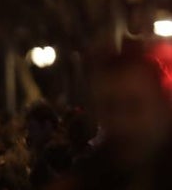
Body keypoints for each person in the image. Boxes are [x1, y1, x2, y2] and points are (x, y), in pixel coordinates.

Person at [49, 50, 172, 190]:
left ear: (162, 107)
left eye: (134, 106)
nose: (122, 122)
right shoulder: (78, 183)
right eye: (110, 107)